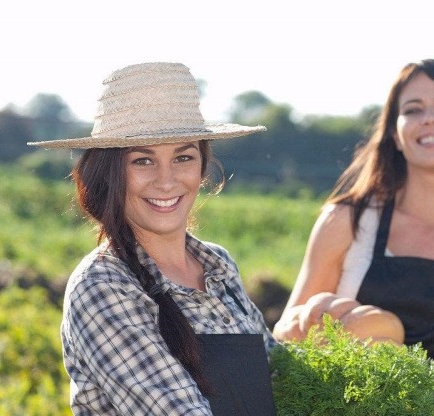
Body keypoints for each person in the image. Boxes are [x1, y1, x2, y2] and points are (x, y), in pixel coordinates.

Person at [273, 59, 434, 392]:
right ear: (395, 136)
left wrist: (420, 383)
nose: (430, 117)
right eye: (413, 110)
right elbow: (287, 341)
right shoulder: (346, 221)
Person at [29, 62, 276, 415]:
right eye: (143, 161)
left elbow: (278, 377)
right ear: (110, 171)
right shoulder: (103, 286)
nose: (166, 180)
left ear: (202, 166)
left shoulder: (218, 267)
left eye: (183, 157)